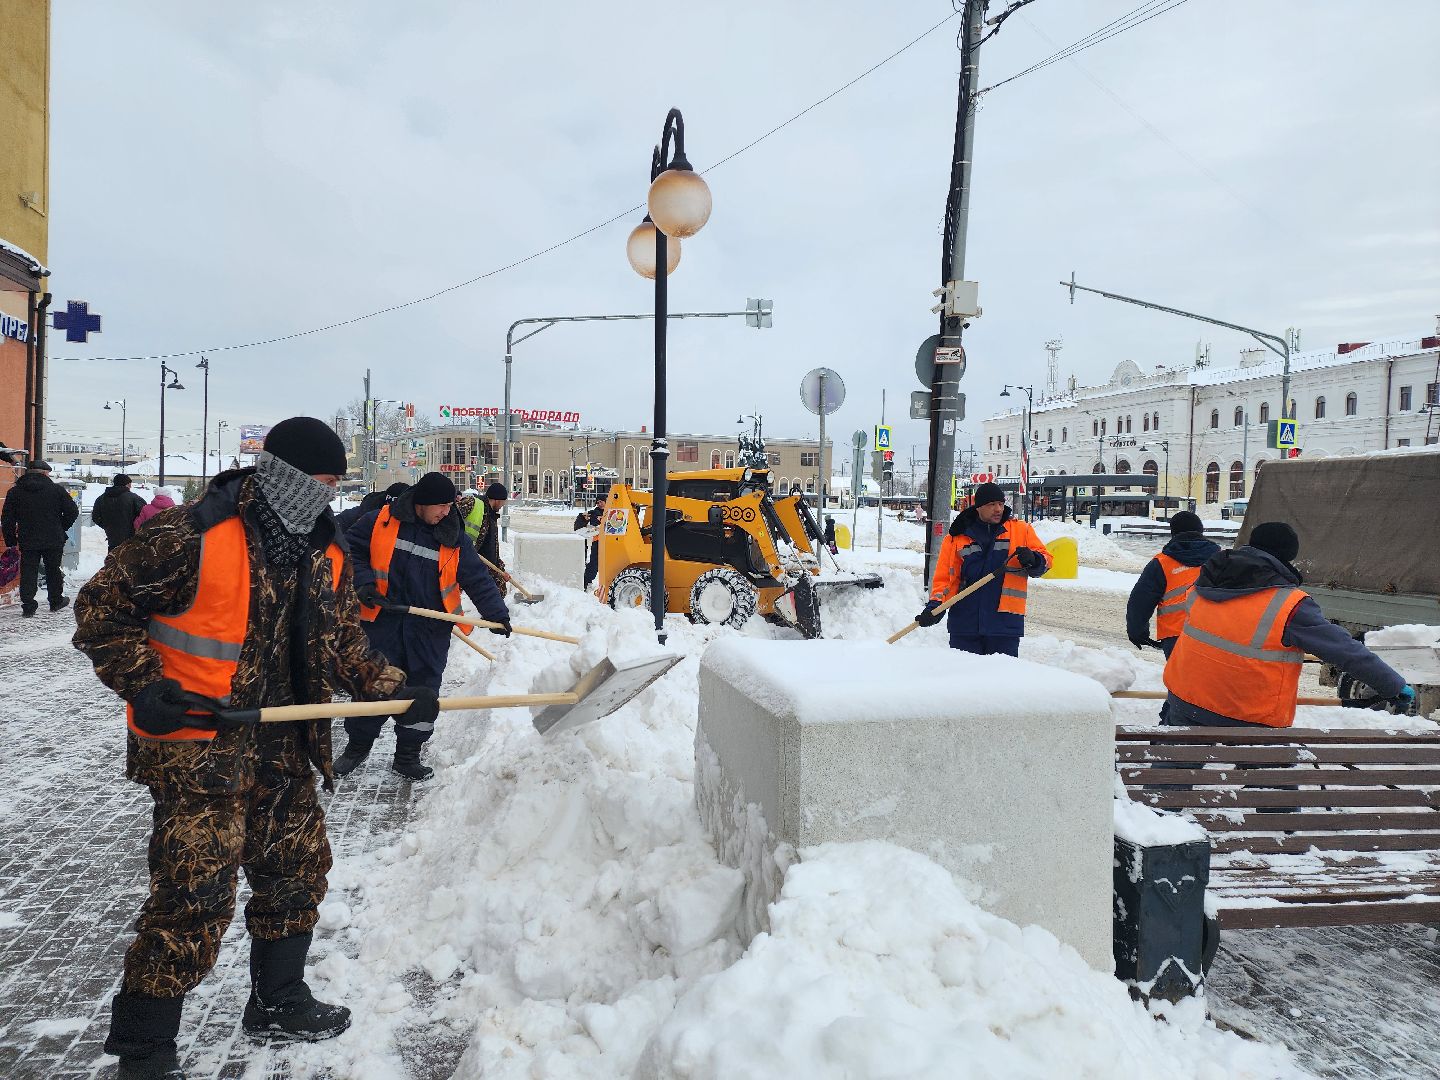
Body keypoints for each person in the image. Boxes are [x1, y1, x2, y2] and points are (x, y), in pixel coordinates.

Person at [72, 416, 437, 1079]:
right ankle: (145, 1050)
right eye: (319, 483)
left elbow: (339, 645)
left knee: (297, 869)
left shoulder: (323, 551)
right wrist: (146, 685)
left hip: (285, 741)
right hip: (198, 745)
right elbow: (100, 609)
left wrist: (398, 689)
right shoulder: (191, 534)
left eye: (336, 485)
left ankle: (279, 1000)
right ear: (284, 476)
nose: (328, 497)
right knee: (193, 895)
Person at [340, 471, 511, 781]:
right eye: (442, 506)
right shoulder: (383, 520)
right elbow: (351, 549)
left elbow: (476, 577)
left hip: (429, 631)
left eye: (450, 506)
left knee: (424, 696)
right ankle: (356, 748)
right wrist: (363, 583)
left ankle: (407, 756)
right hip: (384, 624)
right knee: (373, 689)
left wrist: (497, 615)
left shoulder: (452, 534)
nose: (447, 512)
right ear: (423, 503)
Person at [1163, 521, 1415, 727]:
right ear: (1289, 556)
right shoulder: (1288, 604)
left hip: (1185, 698)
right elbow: (1345, 651)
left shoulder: (1206, 581)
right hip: (1245, 714)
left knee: (1171, 777)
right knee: (1274, 784)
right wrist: (1392, 684)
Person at [913, 483, 1051, 657]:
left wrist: (1034, 560)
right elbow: (946, 579)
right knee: (965, 681)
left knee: (1000, 681)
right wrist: (935, 608)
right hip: (965, 625)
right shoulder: (958, 536)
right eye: (991, 505)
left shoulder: (1021, 530)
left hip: (1004, 625)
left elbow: (1047, 561)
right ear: (978, 507)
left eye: (1000, 504)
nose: (998, 509)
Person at [1124, 511, 1220, 657]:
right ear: (1201, 530)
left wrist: (1137, 632)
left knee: (1180, 679)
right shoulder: (1221, 559)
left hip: (1176, 636)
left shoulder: (1161, 563)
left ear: (1173, 533)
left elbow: (1140, 601)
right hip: (1216, 633)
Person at [2, 458, 78, 617]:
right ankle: (56, 601)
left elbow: (7, 519)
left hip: (27, 538)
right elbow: (72, 511)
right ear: (44, 473)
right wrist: (61, 527)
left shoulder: (15, 492)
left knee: (28, 571)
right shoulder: (57, 490)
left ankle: (28, 605)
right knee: (53, 569)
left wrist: (11, 541)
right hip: (53, 538)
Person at [458, 481, 509, 596]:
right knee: (451, 593)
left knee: (499, 590)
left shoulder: (492, 517)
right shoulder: (473, 503)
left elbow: (492, 547)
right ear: (497, 500)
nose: (502, 506)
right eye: (503, 503)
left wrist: (500, 569)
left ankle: (492, 614)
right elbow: (451, 518)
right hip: (460, 558)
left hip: (480, 561)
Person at [91, 474, 147, 551]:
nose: (131, 486)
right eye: (130, 484)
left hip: (112, 539)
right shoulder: (134, 498)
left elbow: (95, 517)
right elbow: (145, 515)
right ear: (127, 484)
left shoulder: (101, 498)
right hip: (132, 539)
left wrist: (107, 526)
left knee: (113, 561)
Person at [574, 503, 603, 592]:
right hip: (598, 541)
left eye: (602, 501)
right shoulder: (595, 512)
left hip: (610, 540)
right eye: (598, 502)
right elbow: (583, 517)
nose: (599, 503)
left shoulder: (610, 510)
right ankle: (586, 582)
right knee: (594, 563)